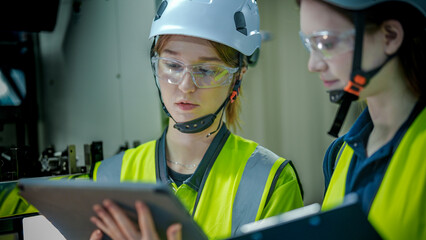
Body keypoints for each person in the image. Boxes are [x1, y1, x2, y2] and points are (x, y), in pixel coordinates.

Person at [90, 0, 304, 239]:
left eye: (206, 70)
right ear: (155, 66)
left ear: (237, 79)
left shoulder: (272, 182)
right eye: (172, 65)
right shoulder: (108, 176)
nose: (185, 86)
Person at [298, 0, 426, 239]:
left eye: (327, 42)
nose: (312, 64)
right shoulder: (339, 153)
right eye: (309, 44)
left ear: (390, 36)